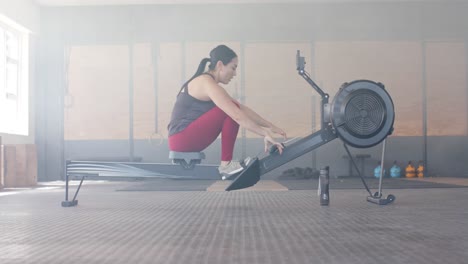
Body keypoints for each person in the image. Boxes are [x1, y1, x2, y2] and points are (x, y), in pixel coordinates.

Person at [168, 44, 286, 178]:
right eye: (233, 68)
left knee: (232, 106)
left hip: (183, 138)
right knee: (229, 110)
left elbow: (241, 109)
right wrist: (265, 133)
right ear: (220, 65)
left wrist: (270, 126)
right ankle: (226, 165)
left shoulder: (209, 83)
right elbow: (236, 115)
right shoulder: (206, 83)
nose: (235, 73)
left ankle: (226, 164)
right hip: (181, 138)